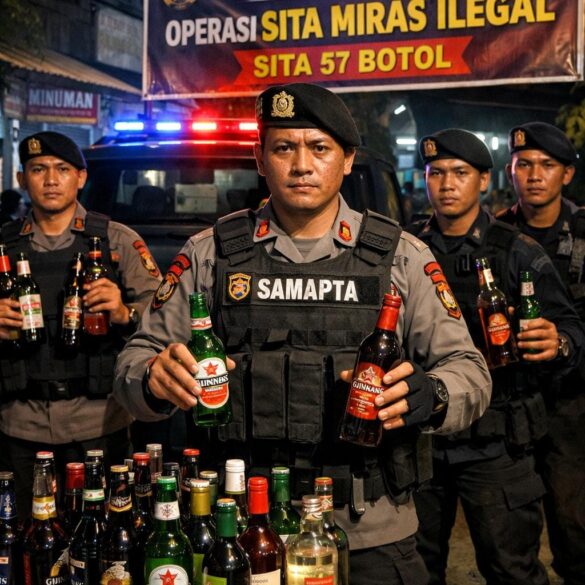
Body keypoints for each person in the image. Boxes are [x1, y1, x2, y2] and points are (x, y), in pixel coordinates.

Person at [115, 83, 491, 584]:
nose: (301, 165)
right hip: (242, 530)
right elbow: (135, 361)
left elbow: (470, 371)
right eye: (283, 148)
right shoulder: (211, 255)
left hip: (369, 530)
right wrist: (152, 379)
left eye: (319, 148)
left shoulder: (401, 257)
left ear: (347, 159)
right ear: (260, 158)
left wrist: (433, 395)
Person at [406, 129, 584, 585]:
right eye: (436, 173)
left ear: (484, 180)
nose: (447, 184)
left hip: (496, 441)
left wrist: (558, 342)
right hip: (423, 439)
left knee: (512, 569)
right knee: (415, 571)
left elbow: (570, 327)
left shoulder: (518, 250)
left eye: (460, 173)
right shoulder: (405, 249)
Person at [0, 131, 161, 520]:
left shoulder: (116, 242)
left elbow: (164, 316)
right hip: (20, 425)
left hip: (98, 423)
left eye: (62, 169)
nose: (50, 180)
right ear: (22, 179)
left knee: (101, 536)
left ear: (81, 177)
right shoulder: (4, 248)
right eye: (38, 169)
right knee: (23, 538)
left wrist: (123, 312)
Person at [497, 121, 585, 585]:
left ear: (566, 174)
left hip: (573, 401)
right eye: (523, 164)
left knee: (574, 526)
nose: (534, 175)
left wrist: (565, 342)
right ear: (509, 171)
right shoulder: (496, 235)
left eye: (547, 165)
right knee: (512, 532)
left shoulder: (583, 231)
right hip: (512, 399)